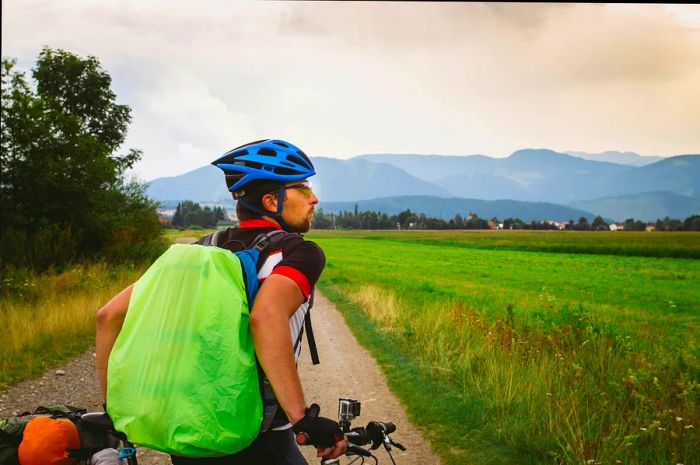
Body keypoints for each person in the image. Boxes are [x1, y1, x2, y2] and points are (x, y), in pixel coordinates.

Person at [95, 139, 348, 464]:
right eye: (302, 188)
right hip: (259, 437)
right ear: (272, 201)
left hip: (191, 432)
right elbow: (266, 317)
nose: (314, 198)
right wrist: (303, 419)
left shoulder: (200, 249)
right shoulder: (299, 252)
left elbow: (108, 316)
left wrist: (112, 411)